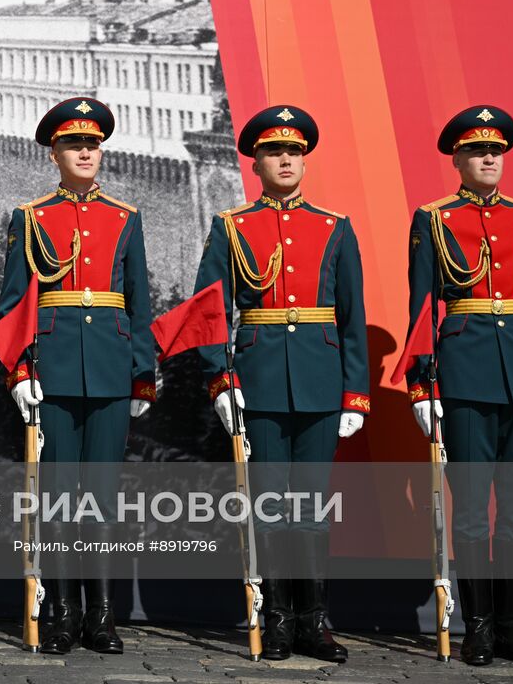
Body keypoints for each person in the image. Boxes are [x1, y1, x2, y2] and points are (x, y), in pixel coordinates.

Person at [192, 105, 368, 663]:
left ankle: (314, 620)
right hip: (260, 381)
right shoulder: (232, 226)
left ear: (305, 160)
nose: (286, 160)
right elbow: (208, 311)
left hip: (320, 381)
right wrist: (221, 381)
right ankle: (278, 620)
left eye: (294, 151)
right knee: (269, 506)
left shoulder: (334, 227)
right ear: (256, 163)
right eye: (274, 152)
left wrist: (354, 393)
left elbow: (352, 317)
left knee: (311, 506)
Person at [0, 97, 157, 655]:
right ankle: (63, 613)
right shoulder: (31, 217)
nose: (85, 152)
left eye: (92, 144)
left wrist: (142, 374)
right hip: (54, 369)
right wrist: (21, 369)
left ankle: (102, 615)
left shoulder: (125, 217)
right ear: (54, 154)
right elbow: (14, 302)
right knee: (61, 495)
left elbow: (138, 300)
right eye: (73, 144)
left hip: (110, 368)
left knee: (103, 497)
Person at [405, 106, 513, 668]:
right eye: (477, 150)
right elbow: (422, 306)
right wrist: (422, 384)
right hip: (465, 374)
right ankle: (479, 628)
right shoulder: (433, 219)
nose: (489, 158)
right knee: (471, 509)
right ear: (458, 159)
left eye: (496, 150)